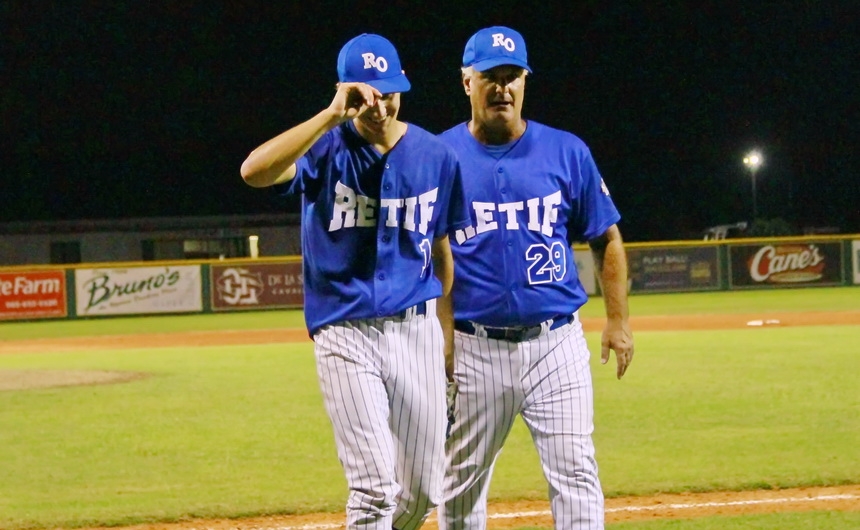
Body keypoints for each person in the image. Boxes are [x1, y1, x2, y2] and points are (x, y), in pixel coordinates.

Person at [240, 33, 469, 530]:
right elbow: (253, 172)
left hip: (417, 331)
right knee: (374, 490)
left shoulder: (437, 156)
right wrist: (330, 115)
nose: (379, 105)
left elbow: (441, 252)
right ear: (345, 91)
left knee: (425, 490)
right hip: (345, 331)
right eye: (365, 94)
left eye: (387, 92)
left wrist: (445, 336)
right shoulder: (324, 150)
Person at [437, 27, 635, 530]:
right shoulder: (439, 158)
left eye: (512, 77)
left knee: (575, 473)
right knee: (459, 485)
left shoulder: (567, 151)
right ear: (467, 82)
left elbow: (606, 238)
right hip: (472, 346)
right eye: (490, 78)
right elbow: (422, 255)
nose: (502, 88)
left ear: (524, 82)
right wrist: (435, 340)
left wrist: (618, 321)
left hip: (556, 343)